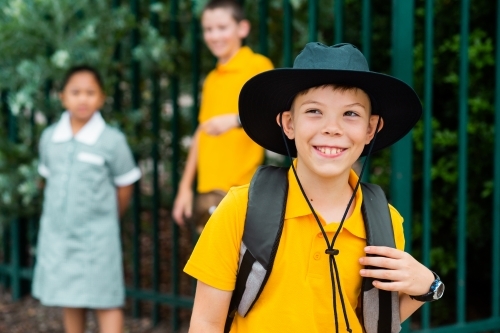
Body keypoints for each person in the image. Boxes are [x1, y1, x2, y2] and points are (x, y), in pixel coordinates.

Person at [184, 43, 445, 332]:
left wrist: (427, 287)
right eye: (314, 111)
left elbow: (371, 322)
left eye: (350, 114)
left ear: (370, 129)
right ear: (288, 123)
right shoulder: (240, 208)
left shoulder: (385, 221)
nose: (332, 128)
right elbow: (206, 322)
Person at [32, 65, 141, 333]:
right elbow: (46, 179)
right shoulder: (49, 138)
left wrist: (107, 219)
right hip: (60, 236)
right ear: (63, 97)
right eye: (75, 92)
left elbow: (125, 186)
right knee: (71, 298)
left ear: (102, 97)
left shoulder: (112, 141)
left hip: (98, 239)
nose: (83, 99)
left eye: (90, 92)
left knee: (107, 299)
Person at [172, 0, 274, 229]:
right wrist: (184, 188)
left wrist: (236, 120)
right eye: (208, 29)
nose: (214, 36)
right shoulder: (211, 80)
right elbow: (202, 132)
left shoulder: (257, 66)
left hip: (240, 192)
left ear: (242, 28)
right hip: (206, 192)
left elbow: (275, 113)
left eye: (222, 27)